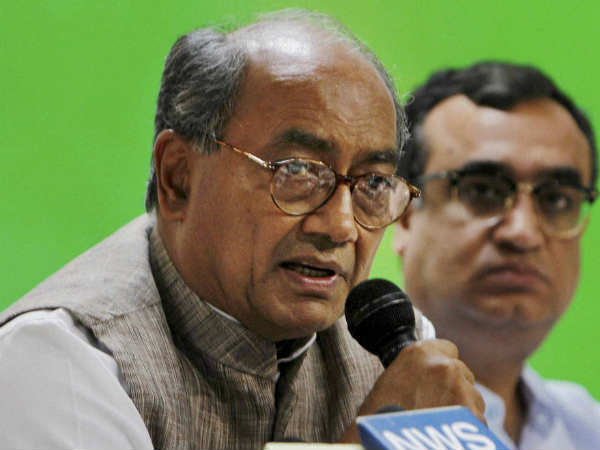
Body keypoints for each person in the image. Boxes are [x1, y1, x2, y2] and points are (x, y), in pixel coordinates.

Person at [0, 10, 485, 450]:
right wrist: (379, 437)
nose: (341, 226)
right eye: (297, 171)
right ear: (178, 177)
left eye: (374, 183)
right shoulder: (58, 361)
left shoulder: (391, 346)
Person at [394, 60, 600, 449]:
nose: (523, 233)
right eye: (483, 191)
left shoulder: (587, 427)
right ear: (403, 215)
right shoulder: (325, 412)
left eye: (556, 199)